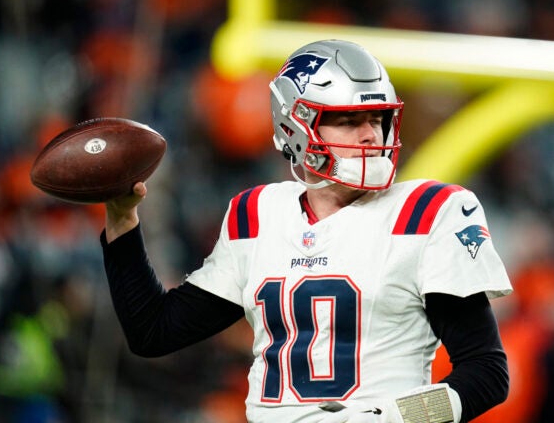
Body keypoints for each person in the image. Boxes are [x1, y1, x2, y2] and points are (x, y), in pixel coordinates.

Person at [102, 39, 513, 422]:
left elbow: (487, 374)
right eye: (348, 121)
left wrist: (391, 418)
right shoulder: (258, 213)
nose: (370, 134)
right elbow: (153, 332)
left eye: (377, 118)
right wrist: (122, 220)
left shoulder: (427, 212)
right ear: (295, 128)